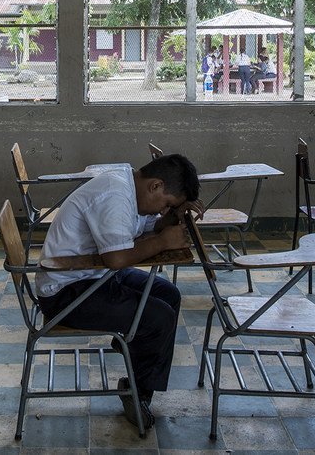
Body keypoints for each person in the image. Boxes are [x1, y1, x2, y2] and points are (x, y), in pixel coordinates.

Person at [35, 154, 201, 430]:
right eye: (167, 204)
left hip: (91, 275)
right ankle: (138, 392)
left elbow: (146, 227)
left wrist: (174, 216)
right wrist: (161, 242)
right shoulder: (115, 194)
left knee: (169, 294)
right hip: (65, 292)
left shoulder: (129, 183)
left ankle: (135, 362)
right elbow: (116, 259)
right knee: (158, 317)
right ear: (155, 186)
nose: (163, 211)